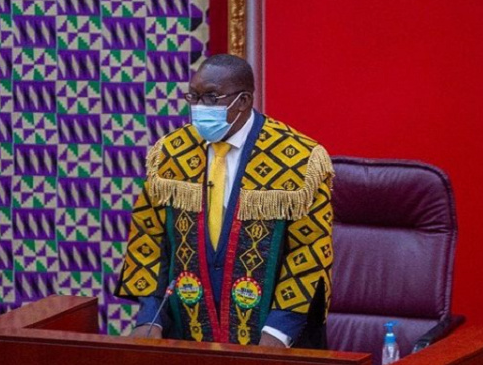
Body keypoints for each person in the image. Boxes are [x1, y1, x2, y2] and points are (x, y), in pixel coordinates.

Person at [116, 54, 334, 348]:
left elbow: (309, 252)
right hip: (188, 333)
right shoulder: (170, 154)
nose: (198, 108)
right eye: (193, 96)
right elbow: (149, 239)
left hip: (272, 340)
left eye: (210, 97)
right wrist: (149, 317)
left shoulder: (298, 158)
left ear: (243, 101)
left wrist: (279, 331)